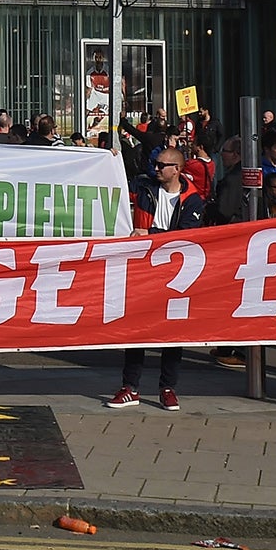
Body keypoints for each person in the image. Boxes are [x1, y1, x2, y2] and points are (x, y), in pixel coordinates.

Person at [106, 149, 202, 411]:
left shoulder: (193, 200)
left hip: (176, 275)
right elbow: (115, 184)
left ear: (177, 169)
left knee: (172, 334)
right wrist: (111, 160)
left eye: (162, 165)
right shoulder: (145, 187)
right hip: (142, 271)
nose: (156, 168)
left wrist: (150, 233)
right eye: (155, 164)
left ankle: (168, 388)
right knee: (136, 332)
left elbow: (184, 237)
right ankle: (130, 387)